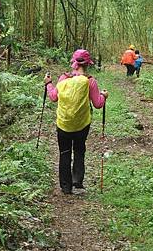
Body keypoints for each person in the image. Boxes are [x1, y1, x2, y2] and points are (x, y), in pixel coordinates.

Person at [44, 49, 108, 195]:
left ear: (74, 63)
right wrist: (104, 96)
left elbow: (54, 97)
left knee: (64, 152)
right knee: (79, 150)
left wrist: (48, 84)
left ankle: (66, 187)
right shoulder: (90, 81)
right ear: (87, 64)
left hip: (63, 123)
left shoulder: (63, 79)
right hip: (82, 124)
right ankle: (77, 181)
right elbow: (98, 104)